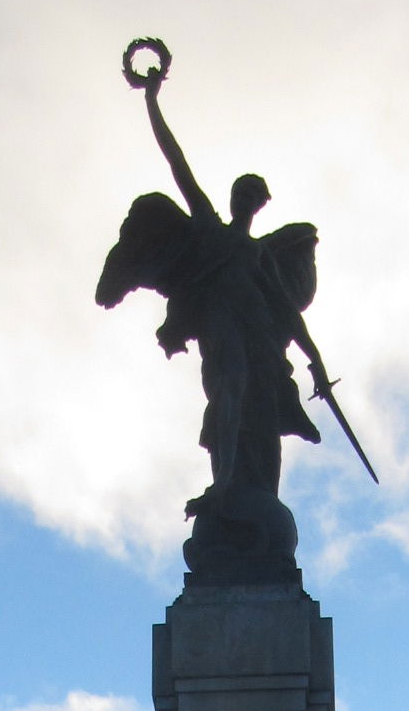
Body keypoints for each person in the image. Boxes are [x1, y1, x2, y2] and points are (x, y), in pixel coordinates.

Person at [97, 55, 325, 562]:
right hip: (223, 330)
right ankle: (223, 487)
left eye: (254, 199)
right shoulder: (208, 227)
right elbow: (175, 162)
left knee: (261, 427)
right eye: (244, 195)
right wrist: (153, 101)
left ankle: (247, 493)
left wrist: (317, 362)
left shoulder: (260, 254)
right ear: (234, 198)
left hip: (262, 339)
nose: (248, 203)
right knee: (230, 393)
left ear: (260, 206)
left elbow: (288, 311)